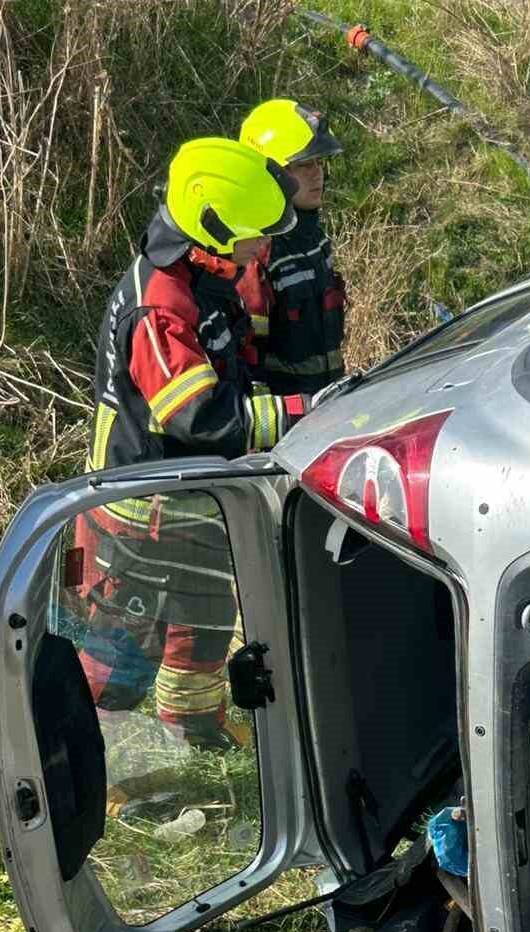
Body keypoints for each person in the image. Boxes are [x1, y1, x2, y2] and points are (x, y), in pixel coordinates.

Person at [69, 137, 313, 751]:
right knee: (122, 643)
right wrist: (299, 414)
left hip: (191, 499)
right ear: (210, 232)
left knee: (204, 619)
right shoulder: (161, 309)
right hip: (139, 512)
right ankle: (89, 752)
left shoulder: (202, 278)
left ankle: (194, 728)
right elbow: (202, 416)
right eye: (253, 235)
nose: (263, 247)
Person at [236, 100, 347, 396]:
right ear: (271, 175)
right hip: (287, 425)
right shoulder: (256, 255)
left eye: (319, 162)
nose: (317, 174)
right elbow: (247, 363)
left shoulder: (315, 239)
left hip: (328, 404)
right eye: (302, 165)